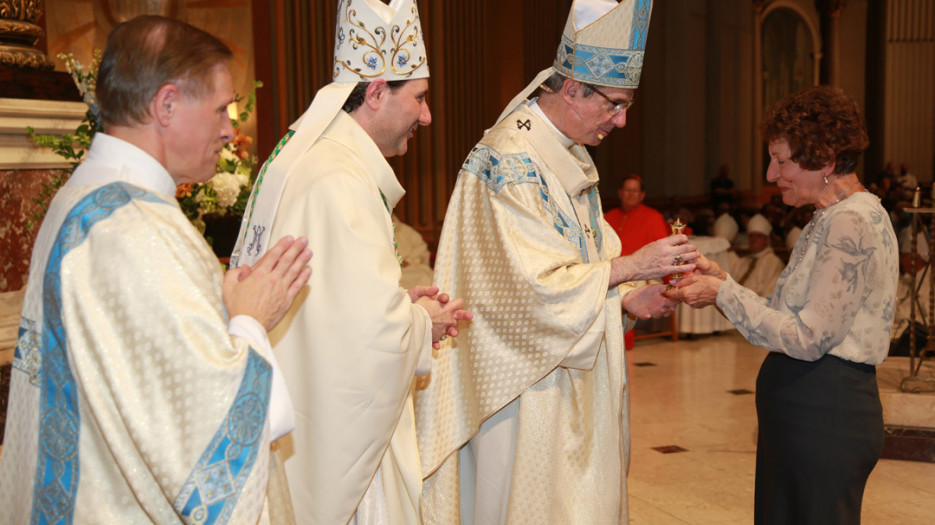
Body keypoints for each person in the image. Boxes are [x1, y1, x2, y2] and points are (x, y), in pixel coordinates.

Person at [0, 15, 313, 523]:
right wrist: (252, 319)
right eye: (219, 109)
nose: (231, 130)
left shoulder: (83, 195)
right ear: (166, 104)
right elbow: (204, 434)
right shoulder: (134, 229)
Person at [415, 1, 698, 523]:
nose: (622, 119)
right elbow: (527, 292)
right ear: (572, 89)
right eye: (614, 104)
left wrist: (629, 302)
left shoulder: (567, 155)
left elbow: (581, 270)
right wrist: (632, 267)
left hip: (571, 379)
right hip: (525, 391)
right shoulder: (507, 162)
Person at [230, 1, 471, 523]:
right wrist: (420, 321)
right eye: (421, 98)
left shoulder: (324, 161)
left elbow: (335, 309)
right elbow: (365, 343)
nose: (427, 116)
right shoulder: (339, 179)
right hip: (344, 449)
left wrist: (397, 305)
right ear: (378, 92)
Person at [668, 85, 898, 525]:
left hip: (824, 415)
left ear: (826, 159)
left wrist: (723, 294)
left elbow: (808, 338)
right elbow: (782, 313)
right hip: (806, 414)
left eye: (782, 161)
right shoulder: (830, 216)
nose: (772, 174)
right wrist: (723, 282)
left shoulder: (849, 221)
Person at [605, 173, 670, 348]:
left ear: (642, 195)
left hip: (640, 274)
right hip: (611, 270)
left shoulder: (653, 217)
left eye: (634, 191)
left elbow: (663, 255)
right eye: (627, 190)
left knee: (618, 288)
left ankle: (619, 341)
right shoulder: (609, 216)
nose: (631, 194)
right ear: (620, 193)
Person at [728, 213, 785, 297]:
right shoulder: (742, 261)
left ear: (766, 239)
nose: (753, 239)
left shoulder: (774, 263)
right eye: (751, 236)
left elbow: (770, 292)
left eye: (758, 236)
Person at [393, 214, 435, 289]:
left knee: (427, 273)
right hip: (393, 270)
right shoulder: (377, 232)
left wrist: (409, 260)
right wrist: (397, 261)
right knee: (423, 277)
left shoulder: (404, 230)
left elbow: (421, 248)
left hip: (409, 266)